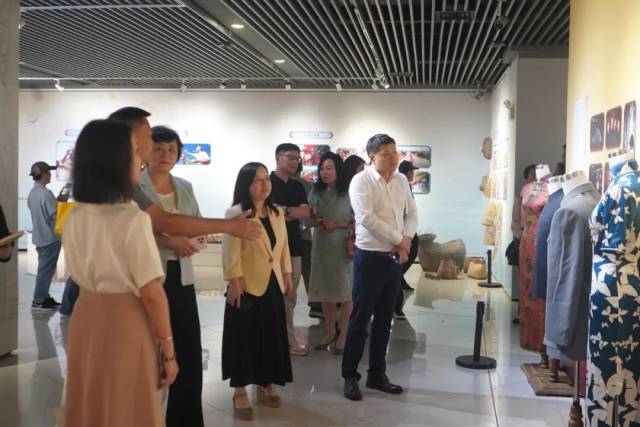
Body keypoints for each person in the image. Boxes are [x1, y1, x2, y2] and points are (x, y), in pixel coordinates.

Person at [59, 107, 264, 317]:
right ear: (131, 141)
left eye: (171, 149)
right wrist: (229, 226)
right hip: (118, 303)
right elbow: (164, 223)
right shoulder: (123, 191)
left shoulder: (93, 201)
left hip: (102, 304)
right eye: (149, 137)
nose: (153, 146)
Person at [63, 119, 177, 427]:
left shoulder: (76, 216)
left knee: (90, 398)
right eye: (134, 151)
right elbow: (152, 293)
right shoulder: (132, 219)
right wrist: (168, 350)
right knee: (128, 404)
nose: (141, 158)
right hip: (125, 321)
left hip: (85, 317)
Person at [342, 134, 418, 402]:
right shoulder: (360, 181)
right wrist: (401, 241)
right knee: (360, 318)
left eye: (395, 152)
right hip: (370, 257)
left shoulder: (401, 180)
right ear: (372, 156)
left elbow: (412, 213)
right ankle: (350, 376)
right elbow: (366, 218)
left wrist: (405, 241)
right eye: (386, 154)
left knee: (385, 319)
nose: (393, 158)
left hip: (394, 258)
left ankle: (377, 374)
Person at [140, 125, 204, 427]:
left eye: (172, 149)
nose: (166, 154)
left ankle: (185, 419)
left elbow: (197, 223)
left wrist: (195, 241)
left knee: (188, 349)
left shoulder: (185, 186)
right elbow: (130, 233)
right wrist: (171, 241)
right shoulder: (135, 187)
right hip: (148, 275)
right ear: (146, 152)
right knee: (148, 349)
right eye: (158, 148)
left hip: (182, 275)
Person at [222, 162, 293, 421]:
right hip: (246, 284)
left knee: (271, 334)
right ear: (246, 184)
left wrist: (287, 274)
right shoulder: (236, 213)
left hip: (272, 282)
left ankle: (265, 383)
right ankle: (240, 390)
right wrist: (234, 281)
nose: (264, 184)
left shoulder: (276, 212)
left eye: (266, 179)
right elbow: (230, 251)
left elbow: (283, 247)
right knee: (243, 338)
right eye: (257, 180)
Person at [307, 152, 354, 354]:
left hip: (343, 248)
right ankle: (329, 331)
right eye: (322, 169)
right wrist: (320, 221)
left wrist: (338, 225)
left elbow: (358, 221)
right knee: (326, 291)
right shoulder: (316, 192)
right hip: (322, 247)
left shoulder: (349, 192)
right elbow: (308, 220)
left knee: (345, 291)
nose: (324, 172)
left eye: (329, 168)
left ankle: (343, 334)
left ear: (338, 170)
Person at [269, 143, 312, 357]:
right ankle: (270, 339)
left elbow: (305, 213)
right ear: (278, 158)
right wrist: (288, 212)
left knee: (290, 295)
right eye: (291, 157)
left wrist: (282, 211)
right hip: (269, 247)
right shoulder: (266, 183)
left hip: (294, 245)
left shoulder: (297, 186)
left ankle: (287, 340)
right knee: (269, 294)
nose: (295, 161)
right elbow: (266, 213)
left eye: (298, 158)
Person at [27, 161, 62, 311]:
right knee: (46, 270)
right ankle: (39, 300)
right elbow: (55, 216)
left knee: (45, 269)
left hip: (40, 237)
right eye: (48, 172)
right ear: (42, 175)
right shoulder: (46, 194)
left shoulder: (33, 193)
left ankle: (44, 296)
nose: (50, 175)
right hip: (49, 238)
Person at [294, 163, 323, 319]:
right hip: (304, 235)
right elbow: (312, 212)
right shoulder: (307, 185)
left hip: (290, 234)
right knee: (308, 270)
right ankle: (315, 304)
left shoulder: (278, 184)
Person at [394, 160, 421, 319]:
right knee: (400, 263)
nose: (413, 174)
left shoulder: (403, 184)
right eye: (412, 171)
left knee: (408, 255)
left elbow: (411, 212)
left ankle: (400, 279)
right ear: (408, 172)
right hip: (400, 231)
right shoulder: (402, 184)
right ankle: (396, 307)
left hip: (405, 230)